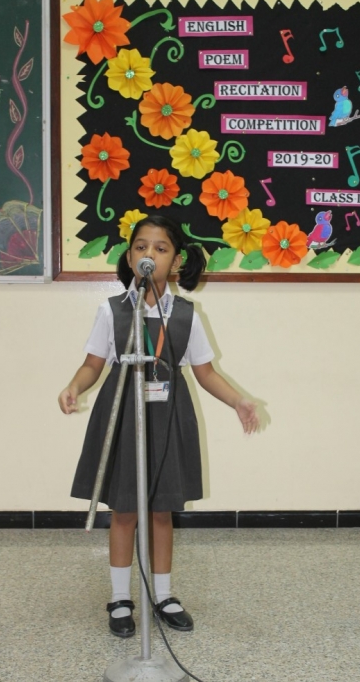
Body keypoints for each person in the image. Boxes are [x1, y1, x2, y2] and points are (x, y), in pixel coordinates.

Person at [58, 215, 260, 638]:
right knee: (124, 511)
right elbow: (93, 363)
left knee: (162, 511)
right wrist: (74, 386)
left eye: (160, 248)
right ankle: (119, 598)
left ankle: (164, 595)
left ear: (177, 261)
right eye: (141, 246)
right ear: (130, 256)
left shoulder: (186, 314)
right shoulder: (112, 309)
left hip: (168, 416)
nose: (149, 254)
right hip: (121, 413)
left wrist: (238, 400)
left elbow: (205, 372)